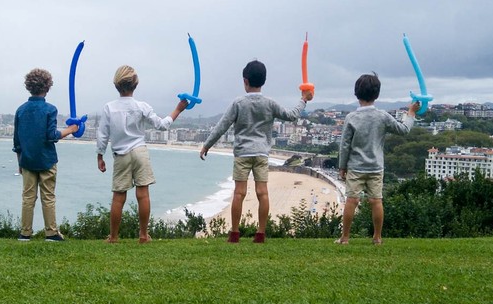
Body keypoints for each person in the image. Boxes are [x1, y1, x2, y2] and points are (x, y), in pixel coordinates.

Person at [200, 60, 313, 243]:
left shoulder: (238, 103)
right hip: (261, 154)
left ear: (245, 81)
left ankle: (234, 233)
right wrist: (303, 100)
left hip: (242, 154)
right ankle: (260, 233)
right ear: (264, 80)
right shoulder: (269, 103)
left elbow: (222, 126)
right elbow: (291, 115)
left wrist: (207, 145)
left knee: (239, 193)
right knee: (263, 193)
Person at [96, 65, 189, 244]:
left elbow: (103, 135)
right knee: (143, 194)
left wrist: (100, 155)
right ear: (135, 84)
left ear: (116, 85)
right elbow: (162, 125)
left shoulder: (109, 108)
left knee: (118, 197)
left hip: (121, 154)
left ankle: (113, 237)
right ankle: (144, 235)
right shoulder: (142, 106)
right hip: (140, 151)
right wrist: (178, 109)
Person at [336, 72, 419, 245]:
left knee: (352, 200)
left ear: (356, 93)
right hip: (375, 166)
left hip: (355, 167)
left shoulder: (351, 117)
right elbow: (403, 130)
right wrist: (411, 112)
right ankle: (377, 237)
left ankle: (345, 237)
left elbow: (344, 145)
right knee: (376, 201)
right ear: (377, 94)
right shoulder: (382, 116)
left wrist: (342, 167)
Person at [13, 68, 79, 242]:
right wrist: (70, 130)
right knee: (48, 197)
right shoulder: (50, 110)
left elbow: (17, 141)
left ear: (28, 86)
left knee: (28, 197)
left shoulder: (20, 110)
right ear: (48, 87)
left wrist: (19, 162)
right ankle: (51, 232)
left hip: (27, 160)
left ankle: (25, 233)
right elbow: (52, 135)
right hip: (47, 160)